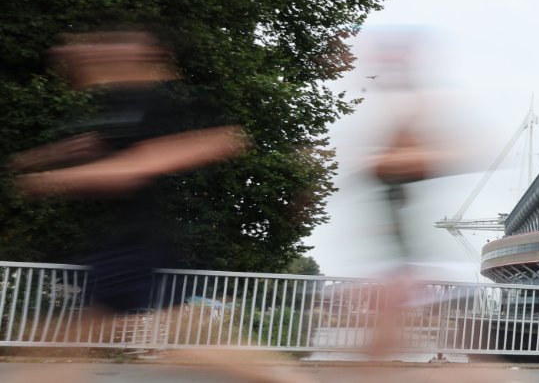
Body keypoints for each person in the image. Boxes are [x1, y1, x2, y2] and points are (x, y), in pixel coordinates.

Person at [7, 28, 316, 383]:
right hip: (127, 237)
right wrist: (51, 156)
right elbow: (111, 150)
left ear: (145, 53)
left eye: (109, 45)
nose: (92, 54)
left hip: (147, 237)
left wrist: (49, 179)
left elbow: (140, 166)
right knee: (82, 336)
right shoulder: (121, 102)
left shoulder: (166, 100)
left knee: (83, 336)